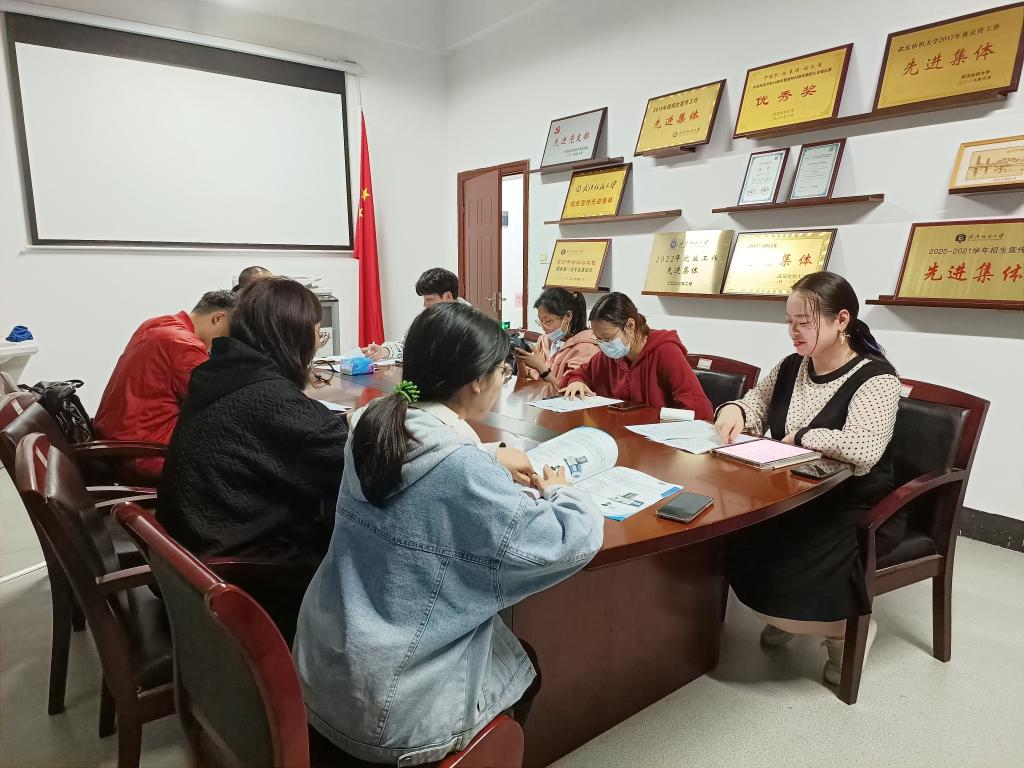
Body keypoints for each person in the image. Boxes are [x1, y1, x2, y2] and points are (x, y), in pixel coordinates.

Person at [294, 301, 604, 765]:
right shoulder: (462, 471)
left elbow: (429, 475)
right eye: (501, 371)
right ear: (476, 380)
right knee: (527, 669)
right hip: (393, 703)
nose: (501, 381)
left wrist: (489, 456)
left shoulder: (374, 423)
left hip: (327, 664)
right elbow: (568, 541)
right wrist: (563, 490)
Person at [714, 271, 901, 686]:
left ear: (842, 320)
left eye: (804, 322)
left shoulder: (877, 379)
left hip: (851, 504)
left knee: (783, 573)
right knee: (734, 544)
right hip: (793, 491)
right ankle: (792, 618)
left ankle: (845, 631)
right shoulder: (791, 366)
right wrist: (734, 411)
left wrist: (803, 436)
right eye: (789, 322)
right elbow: (756, 403)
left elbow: (864, 449)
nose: (793, 332)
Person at [158, 276, 348, 562]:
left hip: (190, 554)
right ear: (295, 338)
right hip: (245, 571)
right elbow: (354, 464)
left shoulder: (216, 373)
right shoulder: (275, 401)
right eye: (317, 335)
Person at [93, 290, 236, 481]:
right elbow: (218, 403)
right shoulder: (184, 344)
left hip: (116, 443)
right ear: (219, 318)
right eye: (230, 334)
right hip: (146, 452)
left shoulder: (157, 324)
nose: (228, 342)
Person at [560, 292, 713, 419]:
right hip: (618, 434)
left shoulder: (666, 351)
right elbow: (581, 373)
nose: (603, 344)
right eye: (598, 338)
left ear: (630, 325)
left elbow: (698, 408)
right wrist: (576, 382)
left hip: (658, 437)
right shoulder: (609, 356)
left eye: (607, 338)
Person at [363, 267, 471, 361]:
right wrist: (385, 351)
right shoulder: (428, 316)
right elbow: (407, 345)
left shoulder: (470, 321)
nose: (425, 304)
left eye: (429, 299)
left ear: (448, 296)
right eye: (424, 299)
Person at [513, 287, 599, 388]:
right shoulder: (545, 340)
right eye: (540, 321)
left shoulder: (587, 348)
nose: (544, 327)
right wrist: (520, 361)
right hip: (539, 396)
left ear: (568, 316)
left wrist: (542, 368)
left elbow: (571, 390)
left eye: (548, 321)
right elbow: (528, 377)